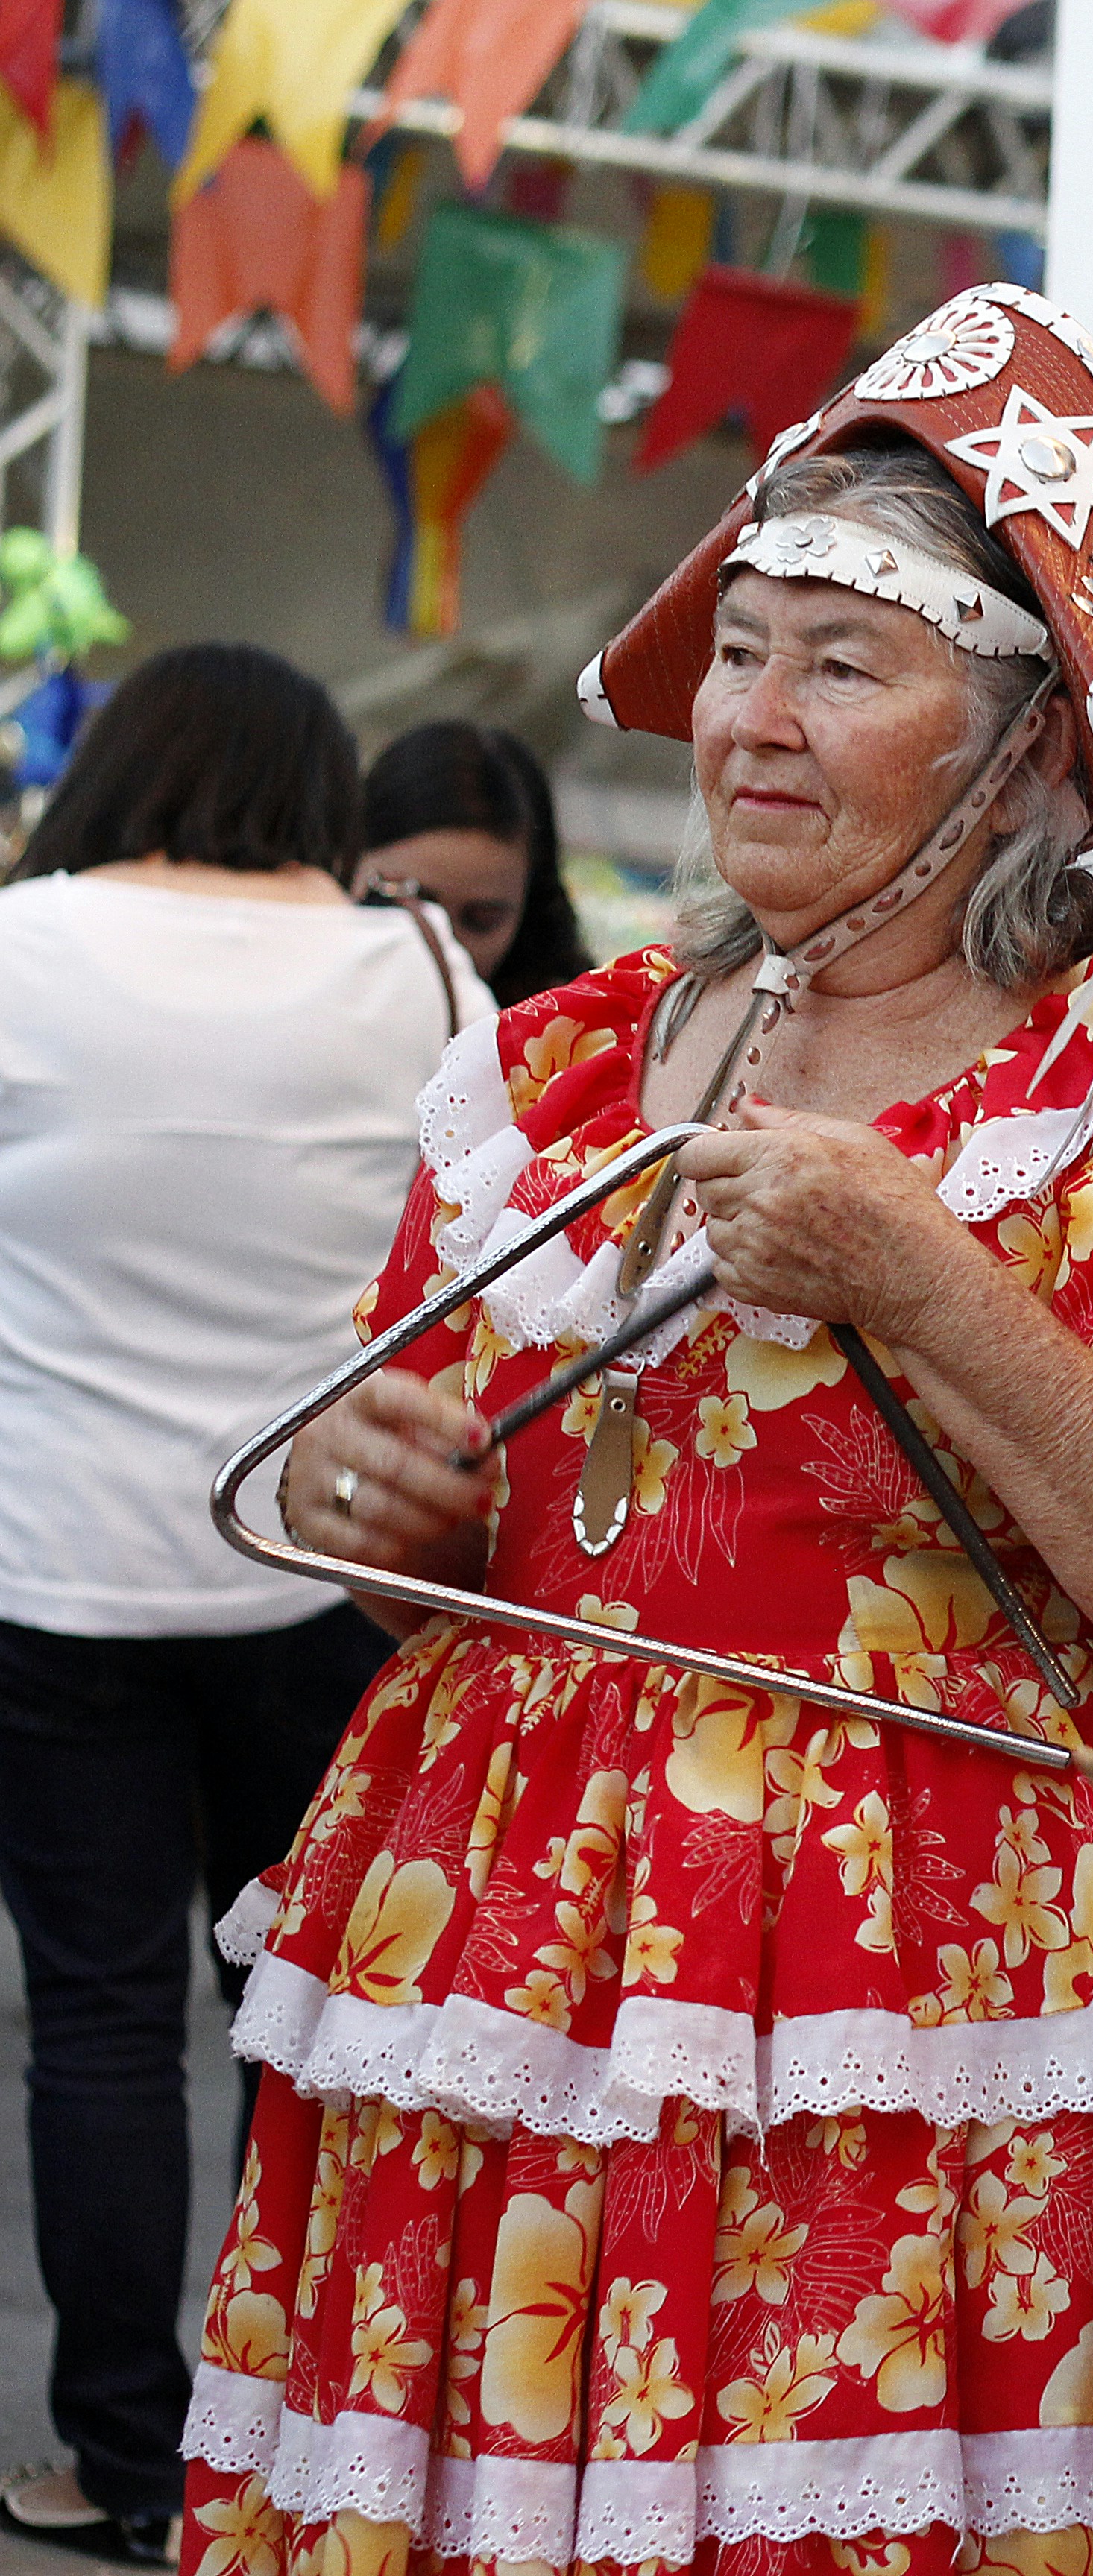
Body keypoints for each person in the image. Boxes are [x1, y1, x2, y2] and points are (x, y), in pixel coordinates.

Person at [185, 290, 1093, 2576]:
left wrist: (925, 1278)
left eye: (843, 666)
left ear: (1039, 750)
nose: (750, 718)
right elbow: (420, 1511)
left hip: (939, 2048)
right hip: (512, 2019)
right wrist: (378, 1503)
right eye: (742, 647)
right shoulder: (552, 1067)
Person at [0, 643, 482, 2566]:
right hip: (323, 1565)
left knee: (102, 2023)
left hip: (53, 1567)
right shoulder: (426, 971)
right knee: (306, 2015)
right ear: (319, 784)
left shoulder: (19, 944)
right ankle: (298, 2447)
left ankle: (119, 2457)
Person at [359, 719, 595, 1010]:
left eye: (482, 920)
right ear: (348, 865)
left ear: (530, 910)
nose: (445, 948)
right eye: (408, 904)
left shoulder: (564, 1037)